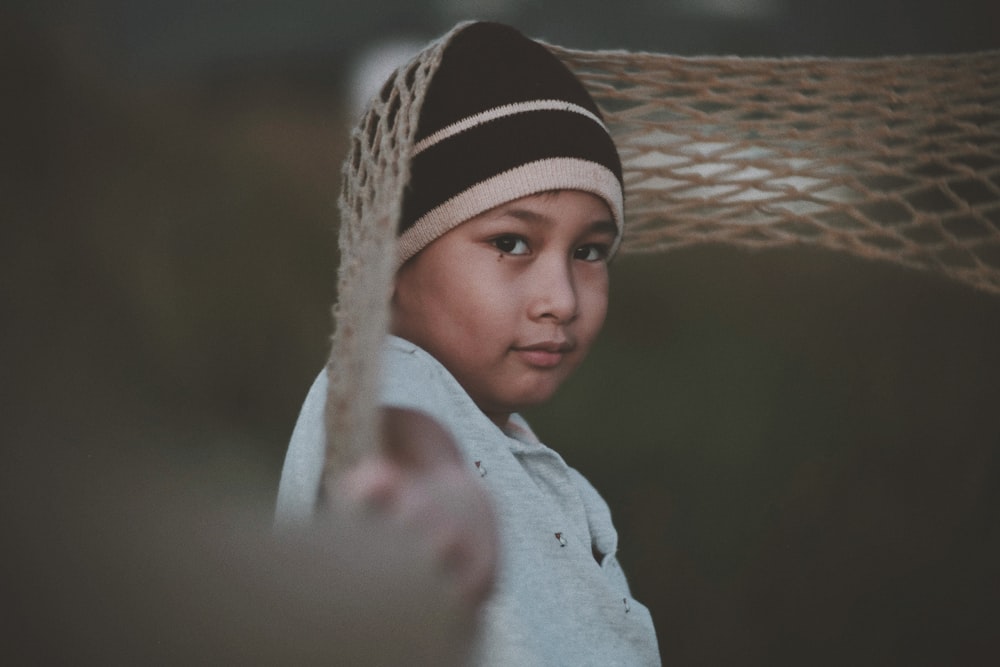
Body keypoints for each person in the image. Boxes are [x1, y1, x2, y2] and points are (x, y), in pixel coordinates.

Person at [276, 21, 660, 665]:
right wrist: (437, 490)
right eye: (512, 243)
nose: (561, 299)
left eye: (590, 251)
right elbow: (398, 435)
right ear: (391, 263)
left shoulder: (512, 448)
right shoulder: (389, 380)